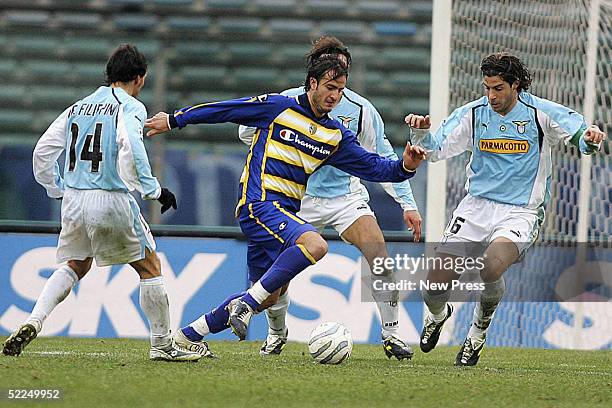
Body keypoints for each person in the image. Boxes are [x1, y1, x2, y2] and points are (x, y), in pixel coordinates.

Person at [145, 55, 426, 354]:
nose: (335, 96)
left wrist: (406, 166)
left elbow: (375, 167)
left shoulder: (335, 136)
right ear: (313, 83)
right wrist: (175, 119)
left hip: (281, 215)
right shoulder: (278, 107)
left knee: (266, 295)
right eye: (330, 87)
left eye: (341, 90)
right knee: (315, 246)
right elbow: (227, 109)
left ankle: (188, 336)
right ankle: (249, 309)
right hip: (258, 203)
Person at [405, 52, 607, 366]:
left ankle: (476, 334)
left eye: (498, 88)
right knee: (435, 283)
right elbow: (434, 149)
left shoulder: (541, 113)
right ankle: (438, 315)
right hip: (475, 208)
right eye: (487, 88)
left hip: (520, 212)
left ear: (515, 85)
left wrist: (591, 139)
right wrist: (420, 133)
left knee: (490, 267)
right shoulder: (473, 114)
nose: (491, 96)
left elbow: (580, 137)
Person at [2, 44, 201, 362]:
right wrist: (154, 191)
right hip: (108, 198)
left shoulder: (78, 107)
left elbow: (42, 151)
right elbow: (133, 147)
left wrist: (56, 188)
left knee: (75, 265)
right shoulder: (130, 106)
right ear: (139, 78)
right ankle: (163, 345)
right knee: (149, 266)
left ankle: (33, 320)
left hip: (74, 200)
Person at [238, 36, 420, 360]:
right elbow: (246, 131)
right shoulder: (287, 101)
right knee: (278, 275)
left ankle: (391, 335)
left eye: (343, 66)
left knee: (378, 252)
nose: (337, 73)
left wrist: (407, 204)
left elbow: (381, 157)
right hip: (297, 197)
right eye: (330, 65)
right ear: (315, 71)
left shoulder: (362, 110)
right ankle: (276, 334)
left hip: (344, 197)